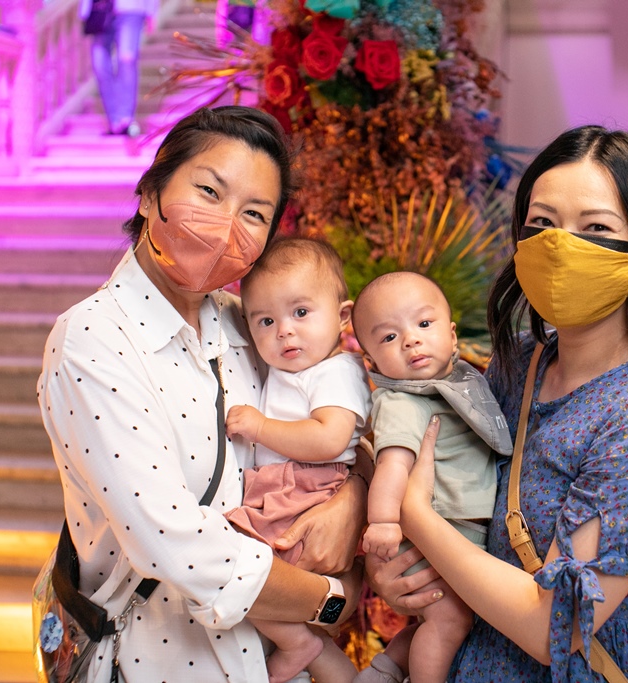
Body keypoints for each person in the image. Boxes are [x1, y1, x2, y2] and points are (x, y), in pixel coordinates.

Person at [367, 125, 628, 683]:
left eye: (596, 228)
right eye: (542, 224)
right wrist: (397, 574)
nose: (560, 246)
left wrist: (415, 516)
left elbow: (558, 627)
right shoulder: (519, 364)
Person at [37, 106, 367, 682]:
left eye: (255, 213)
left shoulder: (254, 327)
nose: (226, 224)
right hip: (153, 662)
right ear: (149, 193)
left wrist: (353, 497)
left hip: (262, 662)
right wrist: (331, 601)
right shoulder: (93, 339)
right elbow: (173, 541)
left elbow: (339, 430)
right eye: (209, 191)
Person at [350, 272, 512, 683]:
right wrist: (384, 522)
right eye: (388, 337)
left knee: (439, 622)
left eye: (424, 324)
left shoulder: (456, 385)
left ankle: (385, 670)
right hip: (433, 535)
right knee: (449, 621)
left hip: (454, 533)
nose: (410, 340)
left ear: (452, 334)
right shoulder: (404, 402)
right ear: (371, 362)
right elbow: (393, 466)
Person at [224, 237, 370, 683]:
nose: (284, 330)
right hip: (289, 487)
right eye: (266, 320)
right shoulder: (294, 371)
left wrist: (260, 427)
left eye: (301, 313)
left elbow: (330, 439)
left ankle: (298, 644)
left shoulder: (336, 371)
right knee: (253, 586)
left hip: (308, 488)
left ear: (342, 317)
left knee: (241, 577)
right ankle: (318, 657)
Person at [79, 0, 159, 136]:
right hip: (101, 7)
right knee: (99, 63)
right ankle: (114, 121)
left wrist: (151, 10)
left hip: (132, 9)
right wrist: (84, 10)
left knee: (127, 60)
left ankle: (125, 119)